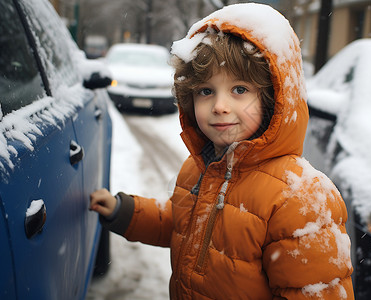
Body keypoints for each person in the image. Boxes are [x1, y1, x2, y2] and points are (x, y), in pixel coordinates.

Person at [90, 3, 354, 299]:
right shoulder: (201, 167)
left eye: (240, 89)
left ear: (273, 99)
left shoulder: (301, 197)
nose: (219, 106)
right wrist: (123, 211)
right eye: (206, 91)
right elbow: (183, 225)